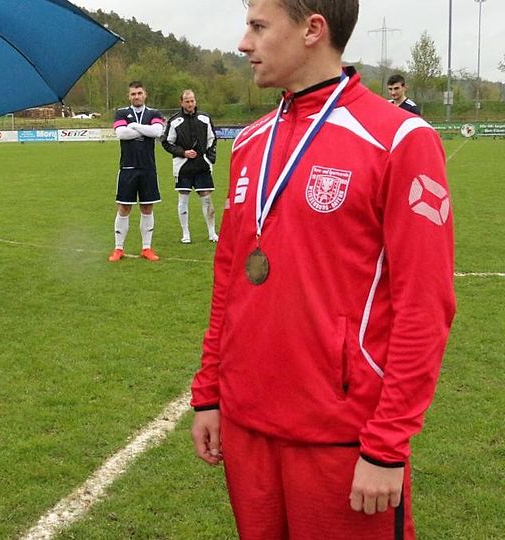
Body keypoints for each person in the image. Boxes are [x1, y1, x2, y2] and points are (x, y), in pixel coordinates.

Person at [189, 1, 455, 538]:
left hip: (343, 438)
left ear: (313, 30)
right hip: (246, 424)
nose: (244, 43)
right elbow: (230, 280)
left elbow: (424, 306)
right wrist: (210, 391)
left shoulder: (400, 139)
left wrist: (387, 443)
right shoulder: (249, 142)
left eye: (258, 26)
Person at [109, 81, 165, 262]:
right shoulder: (121, 113)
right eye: (133, 94)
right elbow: (121, 134)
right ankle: (118, 249)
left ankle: (146, 248)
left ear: (145, 94)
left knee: (147, 207)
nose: (136, 96)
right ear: (129, 96)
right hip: (128, 168)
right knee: (124, 207)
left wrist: (133, 126)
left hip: (148, 168)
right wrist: (145, 131)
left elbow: (157, 132)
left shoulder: (154, 113)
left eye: (139, 93)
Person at [161, 89, 219, 244]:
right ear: (181, 102)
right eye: (187, 101)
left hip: (202, 165)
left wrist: (208, 158)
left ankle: (212, 233)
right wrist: (183, 153)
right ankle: (185, 234)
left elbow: (212, 139)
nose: (190, 104)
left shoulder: (205, 118)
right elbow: (167, 143)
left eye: (192, 100)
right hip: (183, 166)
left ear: (195, 101)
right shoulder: (174, 121)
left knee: (206, 198)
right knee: (183, 198)